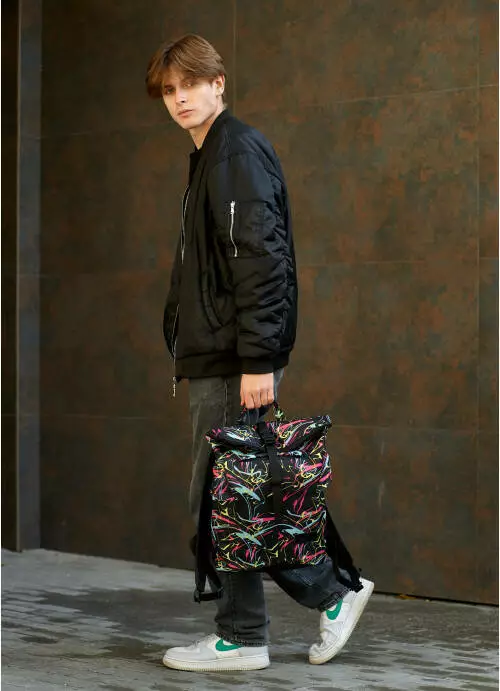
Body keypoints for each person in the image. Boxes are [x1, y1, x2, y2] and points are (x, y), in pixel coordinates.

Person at [146, 33, 374, 673]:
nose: (180, 98)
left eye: (191, 84)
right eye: (169, 90)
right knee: (238, 492)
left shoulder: (234, 152)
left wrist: (257, 361)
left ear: (218, 83)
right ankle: (293, 611)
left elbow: (263, 263)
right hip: (221, 353)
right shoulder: (212, 153)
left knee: (231, 495)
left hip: (233, 358)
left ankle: (262, 628)